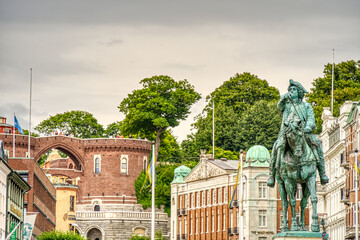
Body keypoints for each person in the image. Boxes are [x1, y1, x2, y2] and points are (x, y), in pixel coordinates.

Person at [267, 79, 329, 187]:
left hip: (304, 133)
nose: (291, 91)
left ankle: (322, 174)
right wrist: (285, 97)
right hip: (287, 133)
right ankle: (271, 175)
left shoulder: (306, 106)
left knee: (317, 144)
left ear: (299, 92)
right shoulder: (286, 105)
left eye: (294, 89)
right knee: (276, 147)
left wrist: (308, 127)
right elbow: (279, 106)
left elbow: (311, 119)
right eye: (289, 89)